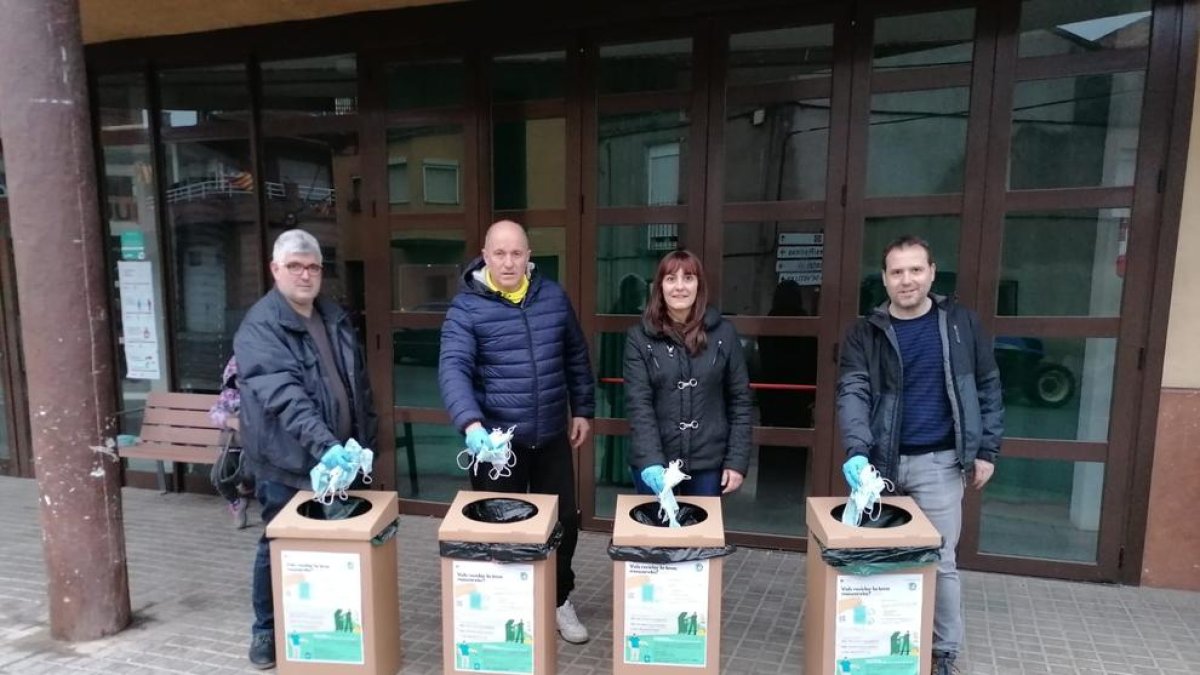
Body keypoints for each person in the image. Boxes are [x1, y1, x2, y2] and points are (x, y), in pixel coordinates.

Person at [836, 235, 1003, 675]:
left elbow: (987, 387)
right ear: (884, 279)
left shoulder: (960, 324)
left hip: (940, 463)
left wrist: (986, 449)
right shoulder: (864, 332)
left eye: (915, 270)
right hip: (878, 466)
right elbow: (853, 392)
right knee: (877, 559)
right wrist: (857, 452)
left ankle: (943, 653)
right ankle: (880, 644)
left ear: (931, 272)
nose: (906, 280)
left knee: (941, 561)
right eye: (896, 272)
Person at [438, 219, 595, 644]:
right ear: (485, 256)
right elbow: (454, 368)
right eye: (500, 253)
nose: (509, 262)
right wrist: (471, 424)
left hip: (550, 436)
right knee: (502, 530)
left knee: (564, 521)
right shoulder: (466, 308)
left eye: (517, 253)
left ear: (529, 257)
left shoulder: (553, 297)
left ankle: (558, 599)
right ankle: (509, 612)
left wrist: (582, 408)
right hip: (496, 447)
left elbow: (575, 355)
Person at [234, 229, 377, 669]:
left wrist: (363, 442)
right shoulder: (260, 326)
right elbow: (286, 398)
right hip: (287, 461)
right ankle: (266, 631)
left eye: (313, 266)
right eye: (294, 265)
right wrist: (327, 446)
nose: (305, 274)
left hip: (337, 460)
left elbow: (357, 387)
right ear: (275, 269)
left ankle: (321, 629)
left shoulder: (332, 316)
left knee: (326, 549)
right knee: (276, 543)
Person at [623, 250, 752, 497]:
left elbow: (740, 401)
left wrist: (736, 461)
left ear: (699, 285)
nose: (679, 287)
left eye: (688, 278)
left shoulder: (723, 334)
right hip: (655, 460)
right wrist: (650, 459)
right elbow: (639, 404)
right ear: (659, 286)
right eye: (671, 279)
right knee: (654, 532)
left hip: (708, 462)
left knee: (701, 533)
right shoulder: (639, 338)